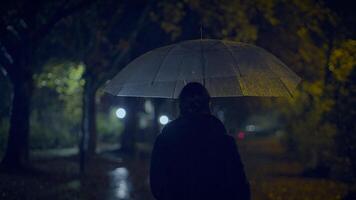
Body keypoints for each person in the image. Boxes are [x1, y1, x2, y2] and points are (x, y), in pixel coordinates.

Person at [150, 82, 250, 200]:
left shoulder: (164, 140)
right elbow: (238, 182)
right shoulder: (223, 140)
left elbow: (157, 183)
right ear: (208, 105)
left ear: (181, 106)